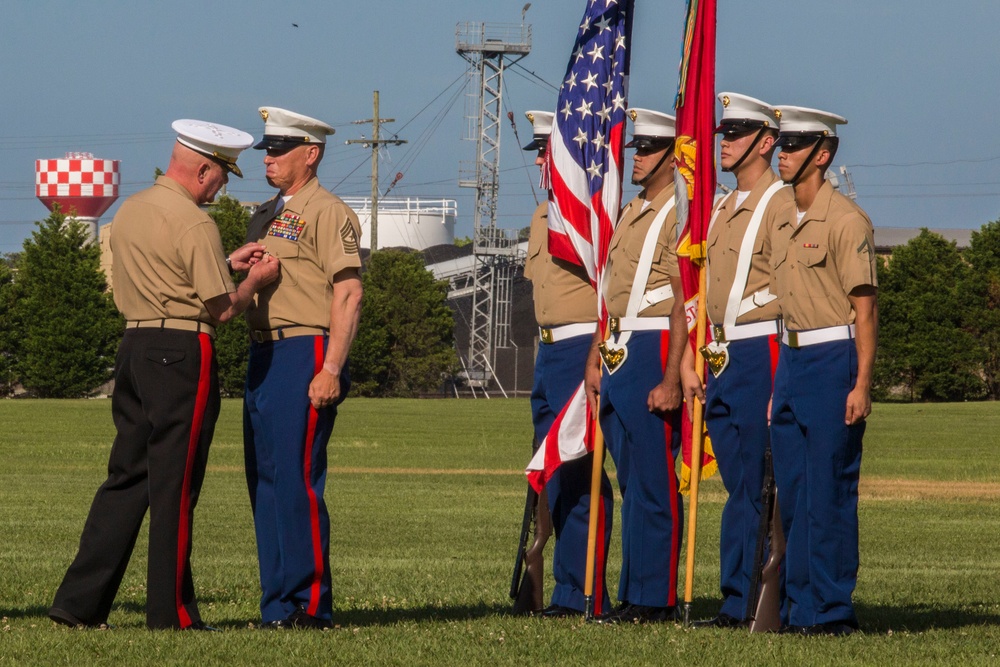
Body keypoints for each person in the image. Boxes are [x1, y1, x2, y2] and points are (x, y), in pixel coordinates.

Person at [49, 119, 280, 630]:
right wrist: (256, 279)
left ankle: (79, 603)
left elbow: (169, 271)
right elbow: (220, 309)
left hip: (133, 345)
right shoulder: (196, 222)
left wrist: (226, 262)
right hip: (181, 351)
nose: (221, 186)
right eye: (222, 175)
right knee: (175, 486)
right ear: (202, 169)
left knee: (126, 478)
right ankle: (171, 613)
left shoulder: (132, 208)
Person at [242, 106, 364, 630]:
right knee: (264, 482)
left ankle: (310, 604)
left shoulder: (327, 211)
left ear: (310, 154)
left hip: (304, 351)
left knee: (295, 479)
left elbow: (349, 290)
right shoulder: (267, 213)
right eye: (266, 150)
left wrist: (332, 366)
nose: (268, 158)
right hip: (263, 352)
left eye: (279, 149)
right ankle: (277, 606)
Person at [683, 93, 792, 628]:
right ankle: (738, 596)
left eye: (737, 133)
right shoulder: (724, 206)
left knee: (758, 482)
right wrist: (689, 355)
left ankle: (754, 599)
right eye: (724, 133)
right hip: (719, 350)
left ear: (766, 142)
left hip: (760, 349)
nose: (724, 142)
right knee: (738, 483)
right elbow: (704, 291)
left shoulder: (779, 204)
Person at [768, 105, 878, 636]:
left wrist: (861, 383)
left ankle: (832, 612)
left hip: (833, 359)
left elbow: (864, 309)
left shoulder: (846, 221)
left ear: (823, 154)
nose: (782, 154)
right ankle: (798, 607)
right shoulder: (782, 216)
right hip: (790, 360)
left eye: (793, 146)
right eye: (781, 144)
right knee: (793, 494)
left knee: (829, 493)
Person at [584, 108, 687, 624]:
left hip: (654, 344)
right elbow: (610, 294)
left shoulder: (680, 211)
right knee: (631, 481)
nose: (639, 156)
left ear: (673, 154)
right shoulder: (631, 210)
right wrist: (597, 354)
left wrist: (672, 375)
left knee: (653, 479)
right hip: (620, 344)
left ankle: (658, 596)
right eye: (637, 148)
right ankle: (636, 591)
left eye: (649, 149)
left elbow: (682, 299)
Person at [521, 110, 613, 618]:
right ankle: (562, 588)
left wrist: (595, 354)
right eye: (538, 153)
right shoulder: (542, 217)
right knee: (554, 475)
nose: (541, 161)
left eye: (548, 151)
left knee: (580, 476)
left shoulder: (592, 213)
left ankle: (583, 592)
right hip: (547, 350)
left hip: (582, 350)